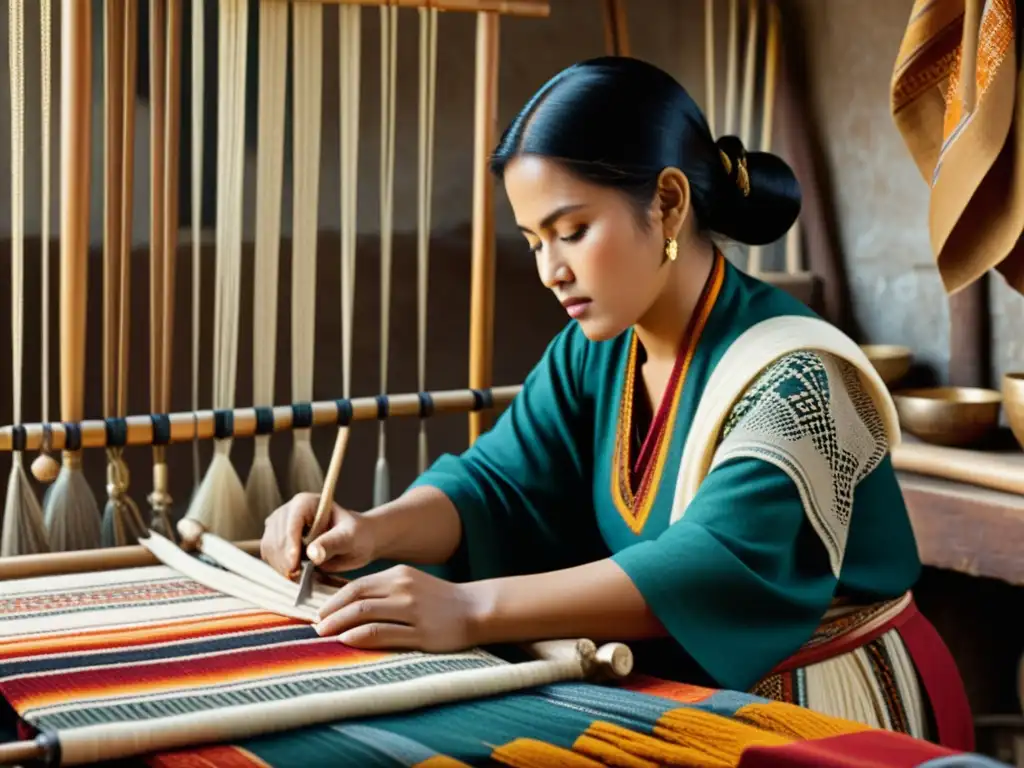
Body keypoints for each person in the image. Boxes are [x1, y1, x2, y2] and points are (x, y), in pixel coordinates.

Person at [261, 56, 971, 750]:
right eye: (535, 241)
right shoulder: (599, 347)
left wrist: (469, 609)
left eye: (571, 232)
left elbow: (711, 564)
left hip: (831, 706)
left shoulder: (800, 377)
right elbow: (498, 485)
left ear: (666, 203)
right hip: (684, 692)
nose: (550, 271)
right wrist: (372, 531)